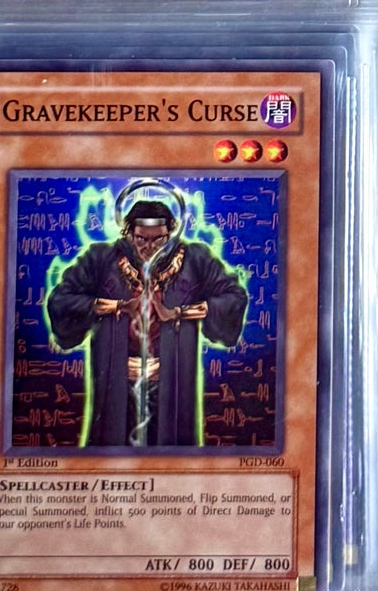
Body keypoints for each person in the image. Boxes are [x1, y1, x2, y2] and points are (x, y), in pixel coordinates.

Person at [45, 185, 248, 448]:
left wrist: (178, 313)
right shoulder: (101, 259)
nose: (150, 247)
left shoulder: (195, 259)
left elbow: (234, 297)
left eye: (158, 239)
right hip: (116, 377)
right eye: (141, 239)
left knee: (172, 444)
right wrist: (118, 306)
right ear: (128, 232)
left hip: (173, 376)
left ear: (170, 232)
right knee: (113, 440)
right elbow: (61, 300)